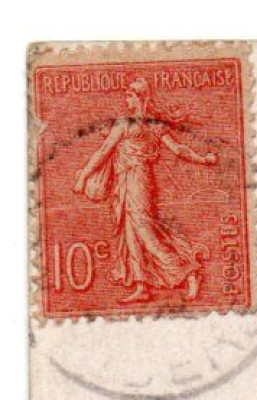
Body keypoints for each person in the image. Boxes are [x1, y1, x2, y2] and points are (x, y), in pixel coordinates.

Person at [73, 77, 219, 305]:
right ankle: (142, 286)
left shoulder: (133, 124)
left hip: (138, 181)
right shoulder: (147, 124)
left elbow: (104, 151)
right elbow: (177, 149)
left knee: (144, 230)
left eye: (129, 95)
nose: (126, 99)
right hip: (126, 182)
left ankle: (188, 272)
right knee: (130, 232)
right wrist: (204, 159)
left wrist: (83, 175)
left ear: (139, 97)